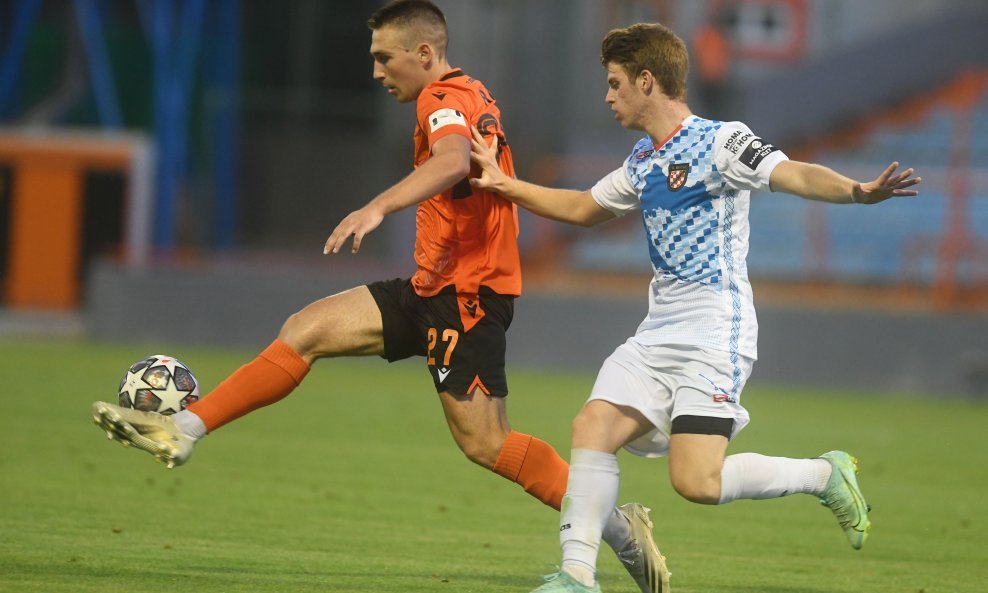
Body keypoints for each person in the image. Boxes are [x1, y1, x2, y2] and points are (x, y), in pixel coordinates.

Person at [91, 3, 669, 592]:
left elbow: (451, 161)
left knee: (487, 442)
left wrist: (377, 206)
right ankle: (185, 428)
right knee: (305, 330)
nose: (376, 71)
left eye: (384, 57)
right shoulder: (467, 93)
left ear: (424, 53)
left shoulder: (440, 98)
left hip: (466, 295)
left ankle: (618, 530)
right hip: (431, 286)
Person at [468, 22, 921, 593]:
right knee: (592, 425)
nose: (607, 96)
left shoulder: (722, 141)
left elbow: (793, 173)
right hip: (657, 331)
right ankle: (577, 576)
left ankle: (823, 474)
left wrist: (856, 191)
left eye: (615, 83)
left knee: (697, 482)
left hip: (714, 332)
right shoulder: (643, 159)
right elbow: (583, 207)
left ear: (647, 81)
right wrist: (504, 184)